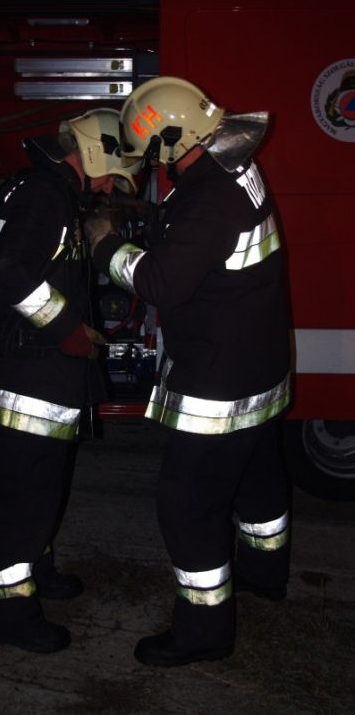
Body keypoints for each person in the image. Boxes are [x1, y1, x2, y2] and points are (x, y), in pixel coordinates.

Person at [85, 77, 292, 667]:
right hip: (259, 368)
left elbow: (161, 283)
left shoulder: (208, 198)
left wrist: (105, 245)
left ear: (174, 140)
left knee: (188, 505)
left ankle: (204, 633)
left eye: (153, 152)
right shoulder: (234, 168)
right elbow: (206, 246)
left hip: (217, 384)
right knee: (257, 483)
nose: (152, 163)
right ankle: (265, 575)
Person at [0, 108, 139, 654]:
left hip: (40, 375)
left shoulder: (54, 194)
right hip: (27, 377)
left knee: (41, 490)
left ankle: (36, 568)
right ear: (92, 153)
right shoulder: (45, 197)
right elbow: (10, 273)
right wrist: (68, 328)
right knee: (19, 499)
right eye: (112, 174)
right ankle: (8, 614)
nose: (111, 187)